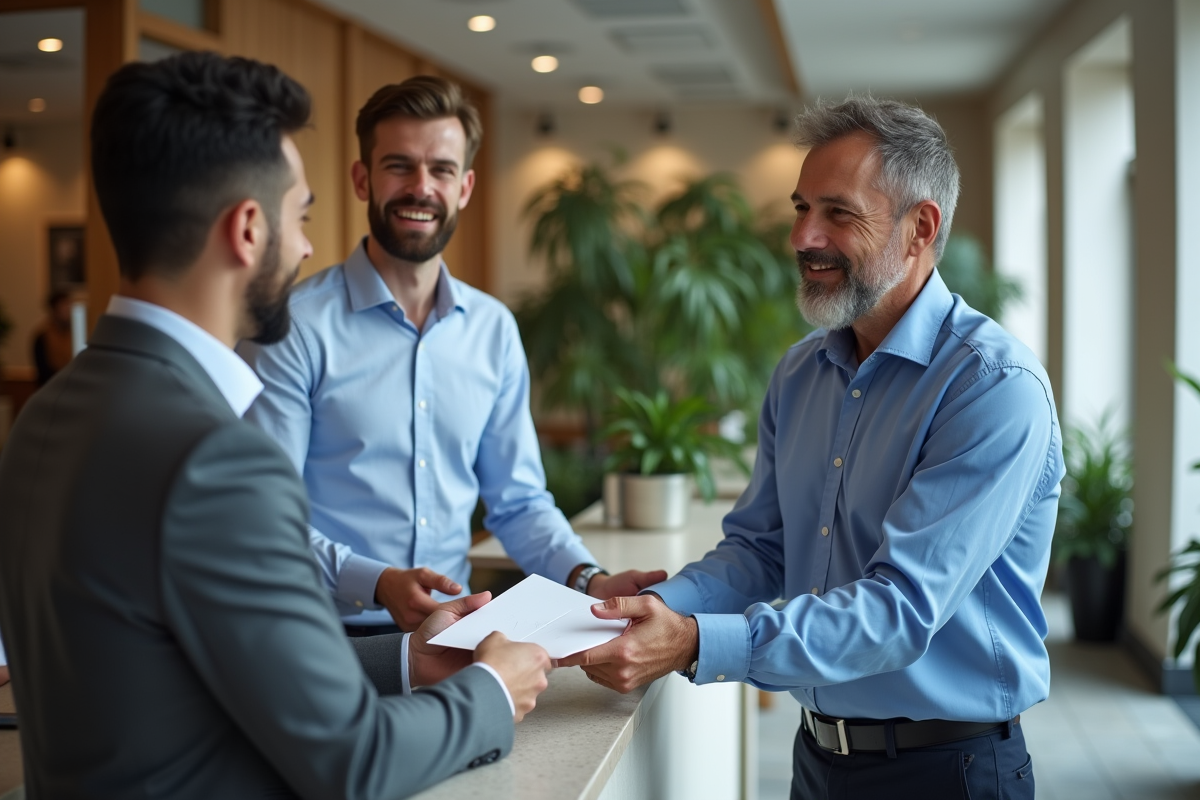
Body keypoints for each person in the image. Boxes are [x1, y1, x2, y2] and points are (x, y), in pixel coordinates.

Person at [0, 52, 552, 799]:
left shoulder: (48, 412)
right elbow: (354, 762)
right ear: (248, 229)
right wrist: (491, 688)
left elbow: (179, 668)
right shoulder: (217, 459)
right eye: (301, 217)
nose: (305, 247)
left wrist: (405, 664)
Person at [559, 97, 1064, 800]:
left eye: (837, 212)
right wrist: (645, 615)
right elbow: (761, 550)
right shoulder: (801, 372)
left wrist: (696, 642)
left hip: (950, 771)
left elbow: (900, 609)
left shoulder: (991, 387)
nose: (802, 236)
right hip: (818, 760)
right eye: (800, 208)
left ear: (920, 228)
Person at [238, 76, 664, 634]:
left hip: (457, 631)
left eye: (440, 170)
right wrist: (376, 581)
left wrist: (589, 579)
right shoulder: (292, 326)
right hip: (318, 635)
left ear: (463, 187)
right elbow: (266, 515)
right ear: (362, 179)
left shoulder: (493, 330)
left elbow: (518, 502)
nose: (421, 188)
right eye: (399, 166)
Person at [31, 288, 74, 386]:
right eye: (64, 306)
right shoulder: (42, 335)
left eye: (69, 305)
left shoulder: (75, 333)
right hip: (51, 387)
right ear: (54, 309)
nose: (68, 310)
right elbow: (43, 371)